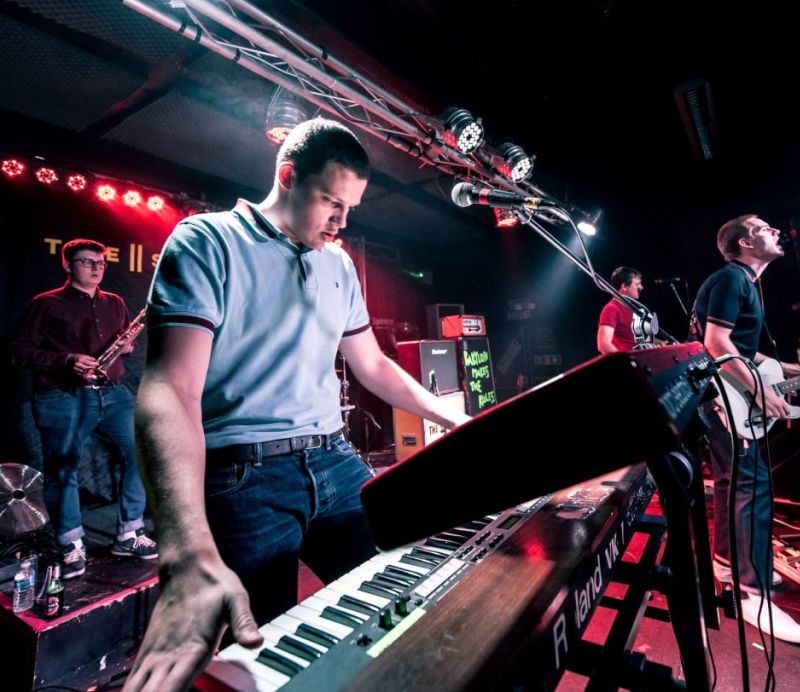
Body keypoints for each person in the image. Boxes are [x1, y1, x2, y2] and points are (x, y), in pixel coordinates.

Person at [125, 118, 471, 692]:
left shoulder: (338, 264)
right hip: (243, 475)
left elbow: (372, 365)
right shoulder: (208, 240)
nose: (341, 222)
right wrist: (183, 549)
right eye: (332, 202)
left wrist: (454, 418)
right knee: (261, 659)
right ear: (288, 177)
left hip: (334, 461)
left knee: (409, 596)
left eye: (350, 208)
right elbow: (170, 388)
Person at [692, 214, 800, 645]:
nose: (774, 231)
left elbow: (745, 352)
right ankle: (752, 594)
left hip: (721, 395)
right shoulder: (731, 279)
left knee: (733, 482)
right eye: (763, 228)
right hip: (725, 398)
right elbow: (715, 344)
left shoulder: (744, 283)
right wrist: (757, 392)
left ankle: (726, 564)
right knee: (750, 487)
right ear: (744, 242)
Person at [10, 238, 157, 579]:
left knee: (141, 452)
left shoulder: (115, 302)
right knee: (64, 469)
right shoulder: (45, 304)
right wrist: (67, 360)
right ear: (67, 265)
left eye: (100, 263)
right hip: (63, 396)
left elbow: (126, 347)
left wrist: (126, 347)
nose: (96, 268)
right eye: (87, 262)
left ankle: (129, 534)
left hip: (112, 394)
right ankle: (71, 543)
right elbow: (18, 352)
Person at [597, 266, 653, 353]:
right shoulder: (611, 309)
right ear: (624, 286)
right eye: (637, 284)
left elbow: (636, 340)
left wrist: (661, 344)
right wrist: (626, 359)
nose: (641, 287)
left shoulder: (633, 309)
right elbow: (604, 345)